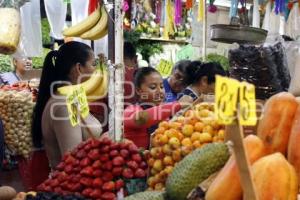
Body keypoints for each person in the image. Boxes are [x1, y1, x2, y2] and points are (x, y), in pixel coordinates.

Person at [32, 41, 102, 169]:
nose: (97, 70)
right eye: (93, 64)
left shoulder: (73, 98)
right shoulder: (64, 106)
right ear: (79, 68)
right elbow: (73, 161)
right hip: (71, 186)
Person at [124, 67, 193, 149]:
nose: (160, 91)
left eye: (161, 86)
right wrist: (178, 104)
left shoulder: (164, 113)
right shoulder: (131, 110)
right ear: (139, 91)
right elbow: (140, 119)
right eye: (153, 87)